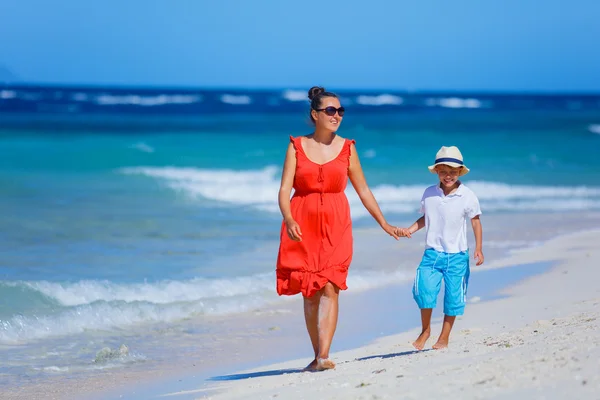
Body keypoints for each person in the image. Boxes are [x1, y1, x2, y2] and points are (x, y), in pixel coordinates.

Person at [276, 86, 399, 371]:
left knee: (330, 286)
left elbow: (364, 190)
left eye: (340, 111)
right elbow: (284, 190)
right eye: (330, 110)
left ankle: (324, 356)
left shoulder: (348, 148)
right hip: (302, 221)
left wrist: (384, 223)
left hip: (336, 222)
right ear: (315, 114)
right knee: (309, 290)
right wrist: (289, 218)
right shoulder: (296, 146)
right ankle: (317, 353)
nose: (337, 115)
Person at [396, 145, 484, 350]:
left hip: (458, 256)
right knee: (423, 290)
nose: (448, 176)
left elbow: (476, 222)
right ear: (436, 171)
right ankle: (425, 330)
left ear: (460, 172)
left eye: (453, 172)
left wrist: (478, 248)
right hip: (432, 254)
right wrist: (410, 229)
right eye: (443, 171)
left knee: (453, 299)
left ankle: (444, 337)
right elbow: (426, 218)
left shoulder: (468, 195)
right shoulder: (429, 193)